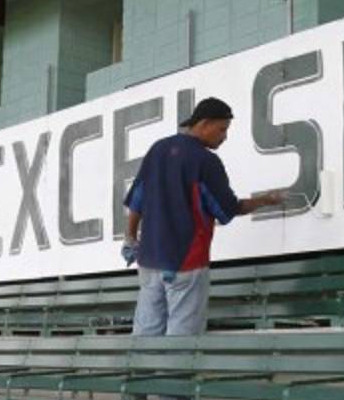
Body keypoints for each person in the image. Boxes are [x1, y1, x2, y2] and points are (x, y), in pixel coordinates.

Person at [122, 97, 284, 339]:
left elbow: (136, 200)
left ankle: (143, 375)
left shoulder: (158, 149)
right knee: (182, 340)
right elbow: (228, 209)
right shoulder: (205, 161)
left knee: (145, 336)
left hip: (148, 261)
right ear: (205, 124)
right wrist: (265, 200)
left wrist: (130, 238)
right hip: (185, 262)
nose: (224, 137)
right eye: (222, 129)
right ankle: (172, 377)